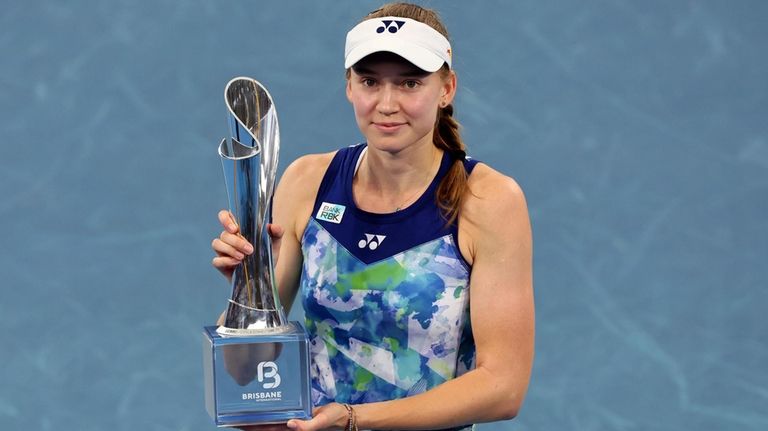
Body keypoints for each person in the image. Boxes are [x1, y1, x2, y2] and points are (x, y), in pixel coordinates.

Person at [212, 3, 534, 430]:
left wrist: (354, 420)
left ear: (446, 88)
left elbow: (503, 387)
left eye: (409, 83)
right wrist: (247, 294)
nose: (386, 104)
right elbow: (242, 375)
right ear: (349, 86)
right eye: (369, 81)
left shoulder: (489, 201)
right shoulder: (308, 181)